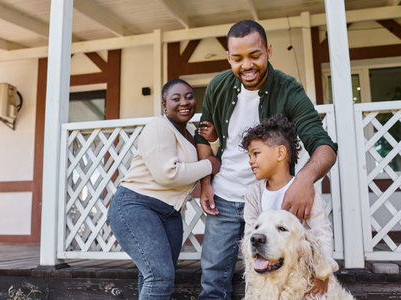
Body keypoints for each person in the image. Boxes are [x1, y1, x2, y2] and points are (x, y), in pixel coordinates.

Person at [194, 20, 338, 299]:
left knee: (276, 278)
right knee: (212, 278)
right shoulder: (218, 86)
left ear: (269, 50)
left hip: (271, 204)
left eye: (255, 55)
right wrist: (206, 183)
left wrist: (304, 180)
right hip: (223, 196)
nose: (246, 65)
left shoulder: (288, 90)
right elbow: (203, 137)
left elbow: (324, 146)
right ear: (228, 57)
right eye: (237, 58)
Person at [107, 78, 220, 300]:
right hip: (137, 206)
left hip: (169, 213)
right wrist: (210, 165)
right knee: (159, 277)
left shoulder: (189, 130)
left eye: (189, 96)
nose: (184, 102)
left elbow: (201, 162)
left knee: (152, 276)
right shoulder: (158, 126)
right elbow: (168, 174)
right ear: (164, 105)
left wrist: (213, 142)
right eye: (175, 98)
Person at [241, 115, 339, 296]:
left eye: (256, 153)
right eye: (249, 155)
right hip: (265, 279)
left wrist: (323, 272)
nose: (250, 160)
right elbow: (250, 234)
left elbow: (321, 232)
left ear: (280, 153)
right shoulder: (253, 194)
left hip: (299, 277)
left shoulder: (305, 190)